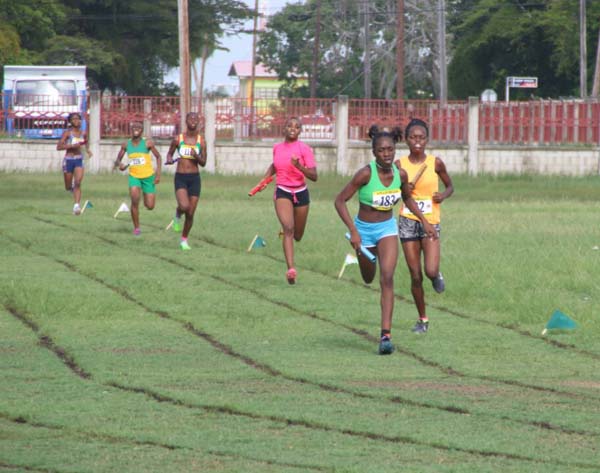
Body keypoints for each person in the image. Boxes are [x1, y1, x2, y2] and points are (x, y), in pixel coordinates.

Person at [335, 125, 436, 355]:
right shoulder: (365, 174)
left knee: (387, 277)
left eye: (390, 149)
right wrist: (354, 231)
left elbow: (408, 200)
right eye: (381, 150)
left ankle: (385, 336)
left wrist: (424, 221)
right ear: (374, 152)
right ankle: (363, 258)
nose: (386, 154)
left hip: (387, 229)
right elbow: (339, 201)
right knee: (369, 277)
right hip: (364, 231)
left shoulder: (400, 175)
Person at [396, 118, 454, 334]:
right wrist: (404, 189)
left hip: (431, 222)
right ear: (406, 140)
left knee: (429, 270)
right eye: (413, 137)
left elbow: (450, 186)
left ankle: (436, 275)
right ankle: (423, 319)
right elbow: (393, 195)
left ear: (427, 140)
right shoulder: (399, 165)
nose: (417, 142)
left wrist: (443, 195)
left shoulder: (435, 163)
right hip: (408, 221)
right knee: (415, 274)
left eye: (421, 138)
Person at [258, 117, 317, 284]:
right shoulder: (277, 148)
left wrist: (299, 167)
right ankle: (291, 270)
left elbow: (314, 176)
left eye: (297, 127)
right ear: (284, 129)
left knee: (297, 235)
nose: (293, 129)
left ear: (300, 131)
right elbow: (275, 165)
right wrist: (264, 180)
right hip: (283, 191)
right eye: (290, 126)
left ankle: (287, 235)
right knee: (288, 228)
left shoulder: (304, 149)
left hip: (301, 193)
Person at [165, 112, 207, 250]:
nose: (193, 120)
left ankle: (184, 240)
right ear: (186, 121)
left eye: (196, 118)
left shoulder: (201, 141)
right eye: (190, 118)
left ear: (198, 122)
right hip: (181, 177)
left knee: (190, 213)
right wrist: (170, 158)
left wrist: (197, 156)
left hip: (195, 179)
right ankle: (178, 214)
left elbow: (204, 163)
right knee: (184, 206)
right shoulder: (179, 139)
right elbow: (170, 153)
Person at [114, 122, 162, 236]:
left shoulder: (148, 143)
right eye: (134, 127)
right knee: (134, 200)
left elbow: (158, 157)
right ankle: (137, 228)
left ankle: (146, 198)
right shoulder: (126, 144)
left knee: (150, 206)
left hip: (148, 177)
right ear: (131, 129)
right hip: (134, 176)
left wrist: (158, 174)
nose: (136, 129)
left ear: (142, 131)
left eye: (139, 128)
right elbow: (118, 160)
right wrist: (120, 165)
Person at [56, 112, 92, 215]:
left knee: (78, 182)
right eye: (74, 119)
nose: (77, 121)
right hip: (68, 160)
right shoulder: (67, 133)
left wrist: (88, 150)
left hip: (79, 159)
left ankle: (76, 206)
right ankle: (71, 188)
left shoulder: (83, 133)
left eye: (78, 119)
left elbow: (85, 141)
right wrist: (71, 146)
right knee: (68, 187)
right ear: (70, 122)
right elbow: (59, 147)